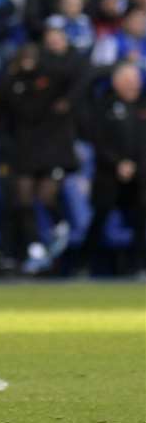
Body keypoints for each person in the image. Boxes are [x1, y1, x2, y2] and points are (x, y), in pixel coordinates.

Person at [0, 42, 79, 268]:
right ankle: (34, 246)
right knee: (22, 197)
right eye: (25, 55)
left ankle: (59, 227)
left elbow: (82, 76)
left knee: (46, 194)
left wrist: (68, 101)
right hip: (24, 150)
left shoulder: (54, 78)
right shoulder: (12, 83)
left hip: (50, 149)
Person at [79, 63, 145, 277]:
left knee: (142, 219)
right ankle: (83, 265)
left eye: (135, 79)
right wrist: (118, 163)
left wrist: (137, 164)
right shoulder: (104, 106)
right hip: (109, 174)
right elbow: (98, 141)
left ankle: (137, 266)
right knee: (100, 216)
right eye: (127, 79)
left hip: (141, 175)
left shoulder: (143, 105)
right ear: (116, 82)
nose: (133, 84)